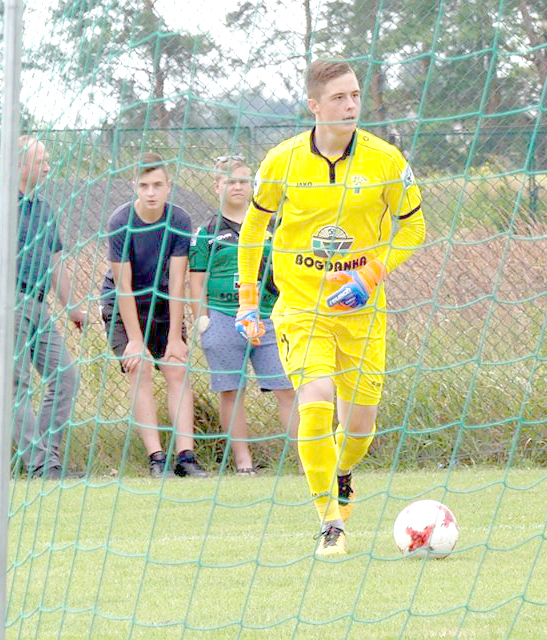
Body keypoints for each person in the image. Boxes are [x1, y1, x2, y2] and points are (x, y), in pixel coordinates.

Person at [236, 60, 425, 555]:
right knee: (315, 401)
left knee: (359, 426)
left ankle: (342, 472)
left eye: (355, 96)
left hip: (362, 314)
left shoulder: (385, 160)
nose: (350, 105)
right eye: (339, 97)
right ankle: (330, 523)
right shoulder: (282, 161)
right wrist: (249, 300)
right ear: (315, 106)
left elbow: (414, 228)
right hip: (301, 307)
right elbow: (253, 229)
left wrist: (369, 275)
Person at [99, 152, 209, 478]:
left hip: (163, 303)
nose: (151, 192)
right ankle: (156, 459)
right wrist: (135, 340)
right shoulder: (120, 222)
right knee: (140, 368)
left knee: (177, 367)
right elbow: (123, 286)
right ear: (135, 185)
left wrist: (176, 337)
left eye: (157, 185)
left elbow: (177, 282)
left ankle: (186, 457)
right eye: (144, 185)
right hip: (123, 305)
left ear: (168, 186)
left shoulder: (179, 220)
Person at [189, 155, 299, 474]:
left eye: (243, 181)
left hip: (269, 317)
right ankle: (243, 464)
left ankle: (306, 461)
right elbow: (196, 281)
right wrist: (202, 319)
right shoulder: (207, 232)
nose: (237, 186)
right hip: (224, 316)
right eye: (230, 181)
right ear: (217, 185)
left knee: (286, 388)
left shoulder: (271, 227)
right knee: (231, 391)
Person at [1, 136, 86, 479]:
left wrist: (73, 308)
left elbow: (54, 264)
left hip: (38, 305)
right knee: (16, 385)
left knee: (66, 376)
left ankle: (46, 458)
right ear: (19, 164)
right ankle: (40, 465)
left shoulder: (43, 209)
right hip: (8, 302)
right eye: (41, 162)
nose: (49, 167)